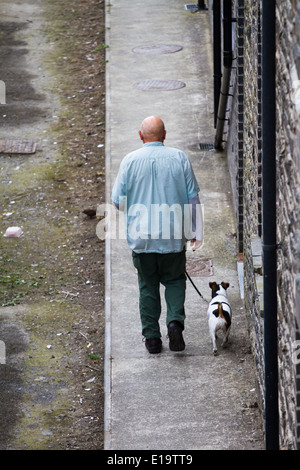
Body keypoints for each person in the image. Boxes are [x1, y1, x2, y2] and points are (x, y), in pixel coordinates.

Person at [111, 116, 203, 354]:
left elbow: (117, 201)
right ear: (165, 134)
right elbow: (192, 197)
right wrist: (195, 230)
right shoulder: (179, 157)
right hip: (173, 236)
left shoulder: (129, 161)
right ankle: (174, 323)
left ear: (140, 135)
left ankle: (152, 339)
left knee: (147, 285)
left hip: (142, 239)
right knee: (174, 281)